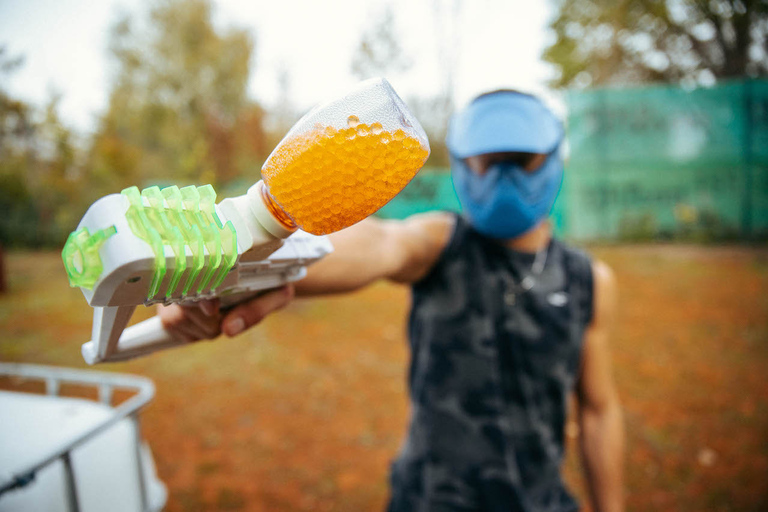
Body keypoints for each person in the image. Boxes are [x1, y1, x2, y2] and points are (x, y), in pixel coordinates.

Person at [159, 90, 625, 512]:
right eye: (486, 161)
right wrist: (233, 267)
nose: (501, 175)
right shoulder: (442, 242)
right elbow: (380, 244)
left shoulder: (588, 281)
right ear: (464, 164)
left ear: (550, 162)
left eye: (519, 159)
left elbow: (599, 409)